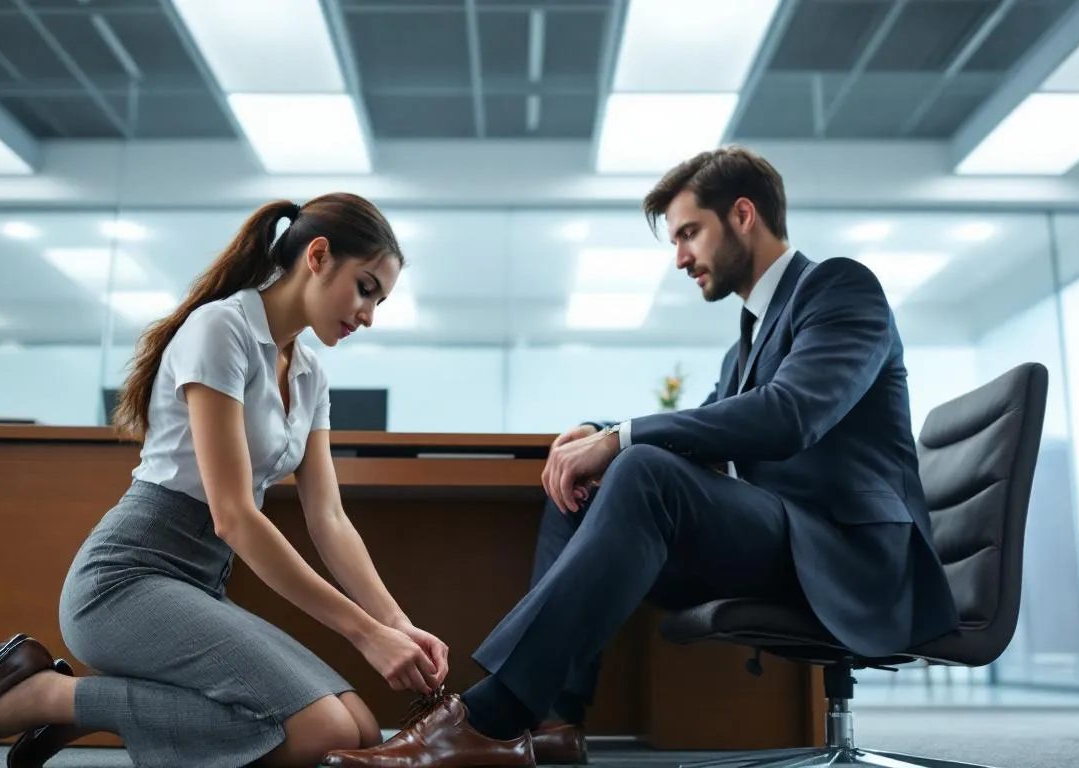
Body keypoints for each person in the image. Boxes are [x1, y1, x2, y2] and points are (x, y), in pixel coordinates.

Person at [321, 146, 960, 768]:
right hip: (790, 544)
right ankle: (552, 720)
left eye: (689, 233)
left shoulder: (838, 288)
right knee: (590, 479)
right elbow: (712, 424)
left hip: (853, 558)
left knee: (643, 468)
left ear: (743, 215)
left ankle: (486, 720)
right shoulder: (746, 345)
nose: (680, 258)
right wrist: (595, 434)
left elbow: (790, 415)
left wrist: (622, 438)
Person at [0, 194, 451, 768]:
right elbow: (234, 516)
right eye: (366, 288)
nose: (369, 314)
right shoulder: (222, 328)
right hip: (124, 582)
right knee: (319, 733)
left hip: (197, 585)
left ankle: (80, 704)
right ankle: (44, 696)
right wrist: (364, 634)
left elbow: (329, 517)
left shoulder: (309, 371)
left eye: (381, 300)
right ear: (317, 256)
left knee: (358, 731)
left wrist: (396, 624)